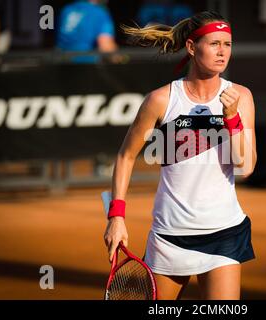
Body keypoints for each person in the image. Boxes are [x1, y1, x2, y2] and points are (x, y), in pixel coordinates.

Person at [103, 11, 257, 300]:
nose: (222, 52)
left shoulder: (241, 97)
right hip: (169, 236)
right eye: (214, 44)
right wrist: (117, 217)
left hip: (224, 232)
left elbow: (246, 167)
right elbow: (125, 157)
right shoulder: (161, 99)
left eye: (227, 44)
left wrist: (232, 119)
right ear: (191, 47)